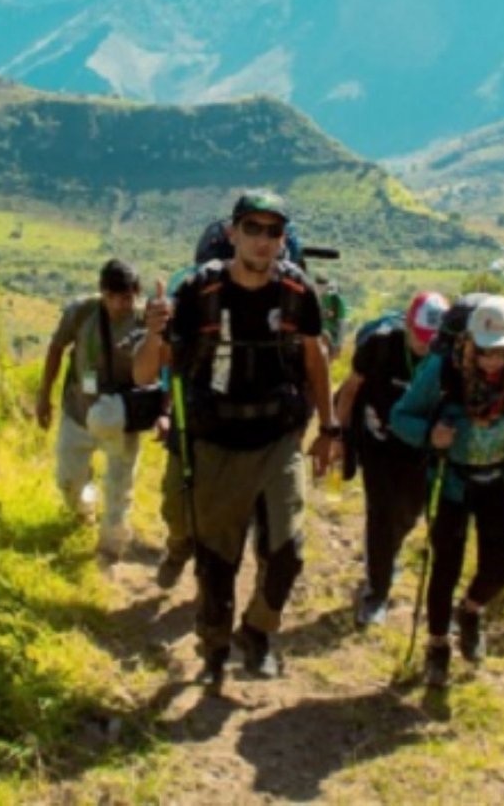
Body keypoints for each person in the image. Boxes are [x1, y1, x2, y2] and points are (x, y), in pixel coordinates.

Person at [136, 190, 340, 688]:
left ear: (283, 239)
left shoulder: (298, 291)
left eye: (274, 231)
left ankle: (259, 631)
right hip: (217, 442)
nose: (263, 240)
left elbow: (315, 358)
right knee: (217, 560)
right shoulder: (198, 294)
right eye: (253, 228)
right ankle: (214, 647)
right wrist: (153, 334)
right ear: (232, 234)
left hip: (278, 438)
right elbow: (146, 370)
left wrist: (329, 428)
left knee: (286, 551)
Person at [389, 295, 504, 688]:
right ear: (469, 345)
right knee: (445, 566)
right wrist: (430, 435)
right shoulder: (443, 372)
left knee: (499, 568)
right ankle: (437, 647)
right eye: (484, 352)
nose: (493, 361)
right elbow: (401, 416)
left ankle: (471, 611)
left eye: (502, 352)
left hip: (500, 483)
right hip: (454, 483)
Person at [334, 291, 449, 628]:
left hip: (417, 445)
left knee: (409, 513)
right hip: (377, 443)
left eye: (433, 340)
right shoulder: (380, 346)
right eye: (420, 336)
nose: (425, 345)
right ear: (408, 325)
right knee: (382, 513)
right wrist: (339, 436)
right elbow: (351, 389)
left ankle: (387, 556)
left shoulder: (444, 358)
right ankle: (376, 594)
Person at [35, 258, 152, 560]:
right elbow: (56, 348)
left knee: (118, 487)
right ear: (103, 292)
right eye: (115, 297)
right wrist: (43, 394)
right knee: (68, 479)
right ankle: (85, 510)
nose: (122, 304)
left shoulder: (144, 320)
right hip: (79, 412)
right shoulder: (82, 312)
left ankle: (110, 549)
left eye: (128, 297)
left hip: (120, 417)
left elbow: (161, 363)